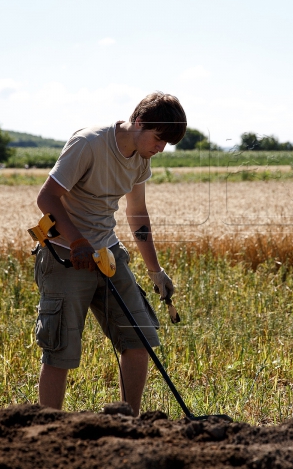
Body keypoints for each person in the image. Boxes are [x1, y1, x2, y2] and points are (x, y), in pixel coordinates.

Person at [33, 91, 186, 416]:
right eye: (158, 139)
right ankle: (47, 432)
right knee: (60, 350)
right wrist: (77, 242)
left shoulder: (141, 159)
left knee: (140, 338)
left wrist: (155, 270)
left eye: (165, 145)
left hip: (107, 253)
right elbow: (46, 198)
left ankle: (126, 423)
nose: (159, 149)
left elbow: (137, 213)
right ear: (140, 122)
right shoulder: (89, 143)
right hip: (64, 255)